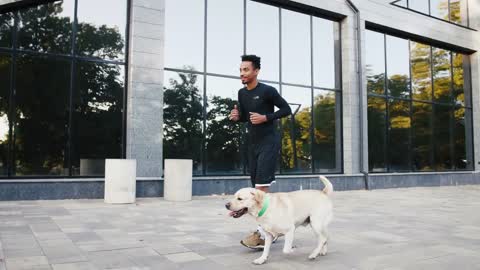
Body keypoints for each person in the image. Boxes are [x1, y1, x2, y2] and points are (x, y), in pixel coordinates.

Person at [229, 54, 291, 249]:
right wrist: (236, 117)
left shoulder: (268, 91)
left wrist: (266, 117)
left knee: (260, 189)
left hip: (268, 143)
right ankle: (273, 227)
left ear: (256, 71)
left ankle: (262, 233)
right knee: (256, 189)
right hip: (252, 144)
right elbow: (245, 118)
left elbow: (286, 109)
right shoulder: (241, 93)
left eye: (246, 69)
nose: (242, 73)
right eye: (240, 70)